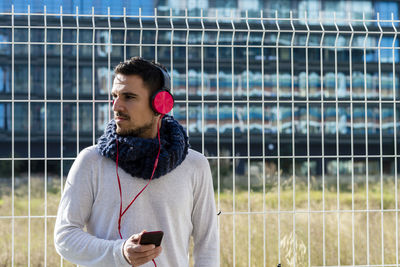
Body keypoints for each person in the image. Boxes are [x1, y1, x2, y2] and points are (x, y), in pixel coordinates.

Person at [54, 57, 219, 267]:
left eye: (129, 97)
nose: (116, 106)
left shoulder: (195, 165)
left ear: (160, 104)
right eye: (114, 96)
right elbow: (65, 237)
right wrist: (119, 252)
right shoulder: (91, 161)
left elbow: (208, 246)